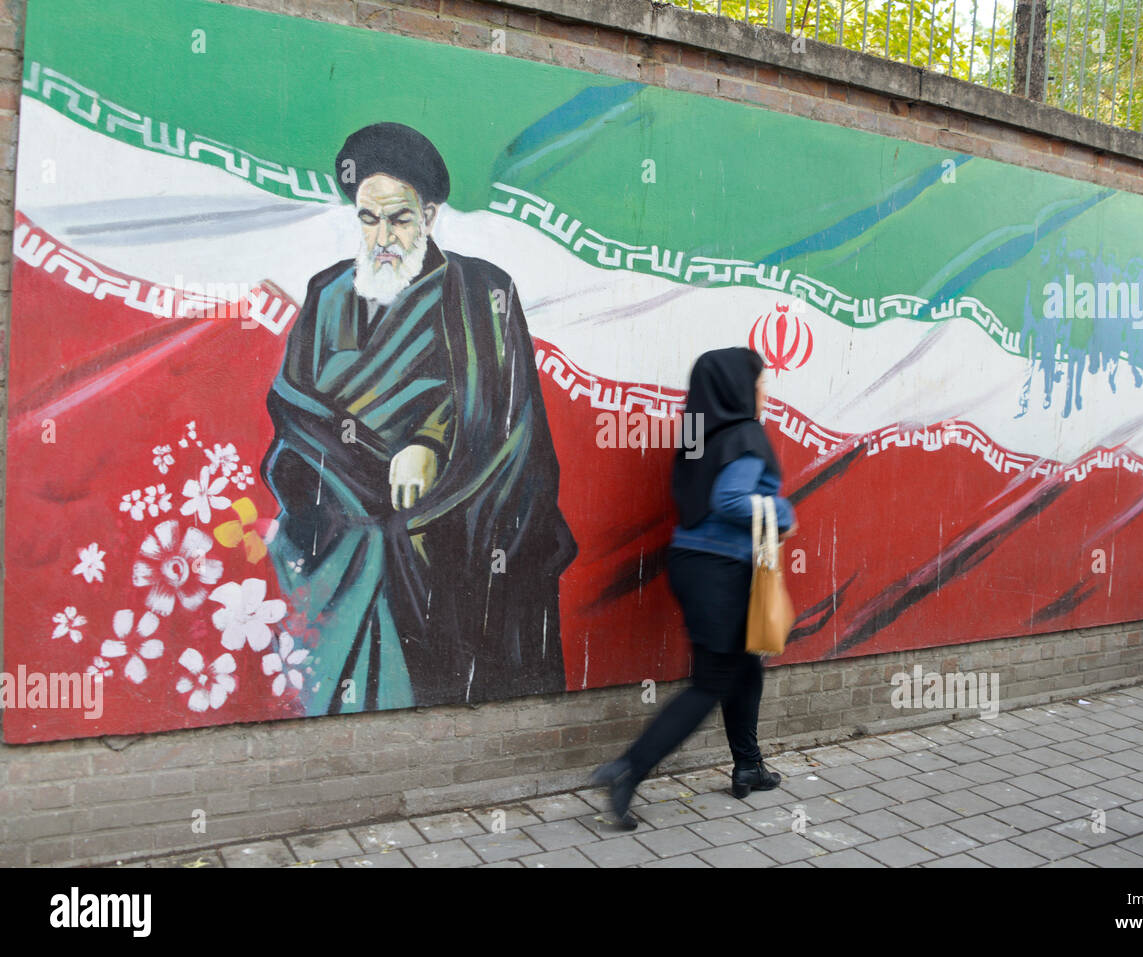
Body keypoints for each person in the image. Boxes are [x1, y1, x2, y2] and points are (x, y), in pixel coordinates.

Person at [261, 122, 576, 715]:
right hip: (337, 517)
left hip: (448, 516)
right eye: (368, 219)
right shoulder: (329, 292)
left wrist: (429, 444)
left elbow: (505, 420)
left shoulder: (483, 293)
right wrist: (358, 469)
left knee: (412, 547)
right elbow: (295, 405)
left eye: (399, 218)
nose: (383, 236)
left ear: (430, 216)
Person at [591, 347, 796, 829]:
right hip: (721, 570)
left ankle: (749, 765)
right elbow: (729, 499)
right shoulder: (746, 433)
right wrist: (783, 514)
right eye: (761, 380)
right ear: (738, 387)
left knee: (745, 664)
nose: (766, 388)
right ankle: (628, 769)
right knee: (711, 681)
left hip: (694, 563)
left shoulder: (700, 435)